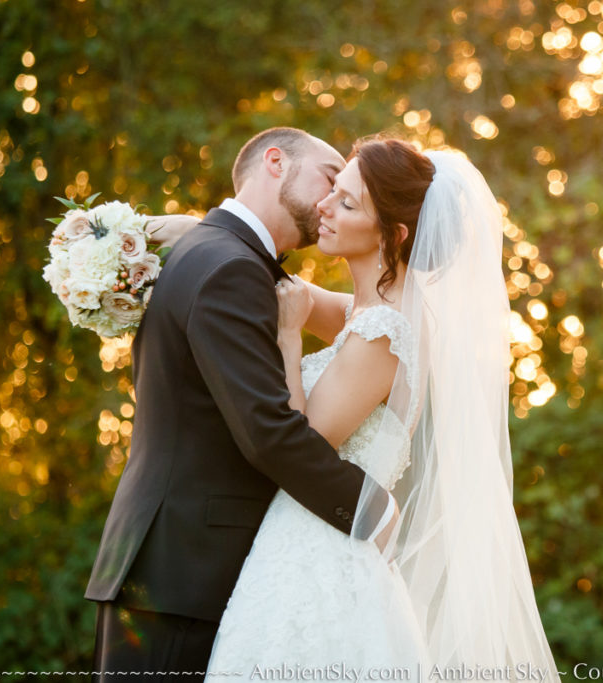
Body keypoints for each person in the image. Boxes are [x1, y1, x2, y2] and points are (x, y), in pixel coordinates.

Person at [204, 137, 561, 680]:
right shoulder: (370, 313)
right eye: (334, 191)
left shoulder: (384, 333)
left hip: (321, 557)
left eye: (346, 204)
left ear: (392, 236)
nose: (323, 205)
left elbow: (299, 442)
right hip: (308, 541)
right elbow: (267, 273)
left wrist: (289, 339)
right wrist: (152, 232)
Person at [84, 127, 397, 681]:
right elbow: (270, 432)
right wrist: (373, 509)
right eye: (329, 179)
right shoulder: (231, 267)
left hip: (174, 572)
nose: (329, 200)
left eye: (344, 196)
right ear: (275, 162)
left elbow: (364, 318)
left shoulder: (219, 254)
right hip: (181, 578)